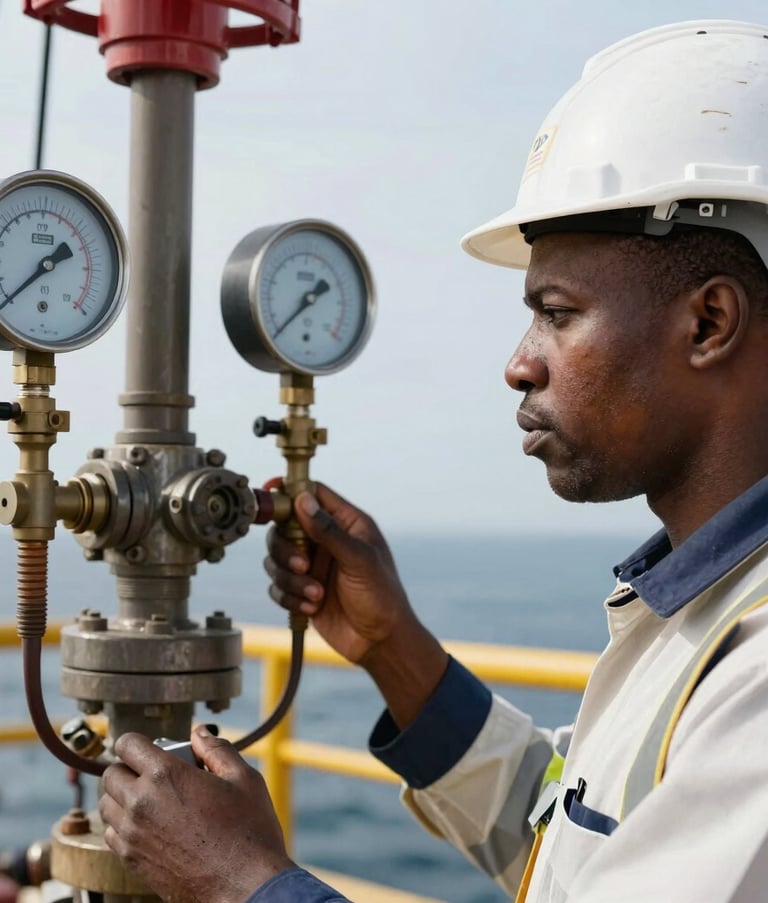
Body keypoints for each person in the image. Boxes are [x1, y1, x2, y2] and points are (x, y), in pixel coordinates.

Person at [99, 19, 768, 902]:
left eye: (558, 312)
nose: (520, 360)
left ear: (709, 322)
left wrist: (242, 881)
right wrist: (393, 650)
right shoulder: (705, 613)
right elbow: (568, 835)